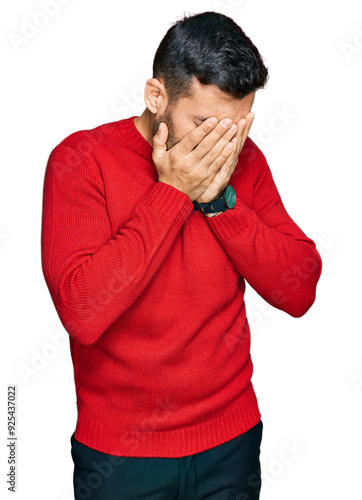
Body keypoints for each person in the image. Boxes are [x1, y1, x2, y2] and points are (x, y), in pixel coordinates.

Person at [41, 11, 322, 500]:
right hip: (119, 458)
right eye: (204, 124)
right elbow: (83, 312)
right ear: (157, 97)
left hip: (231, 443)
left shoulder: (245, 160)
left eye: (235, 128)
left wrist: (218, 203)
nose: (220, 145)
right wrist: (173, 192)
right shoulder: (80, 161)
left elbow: (298, 289)